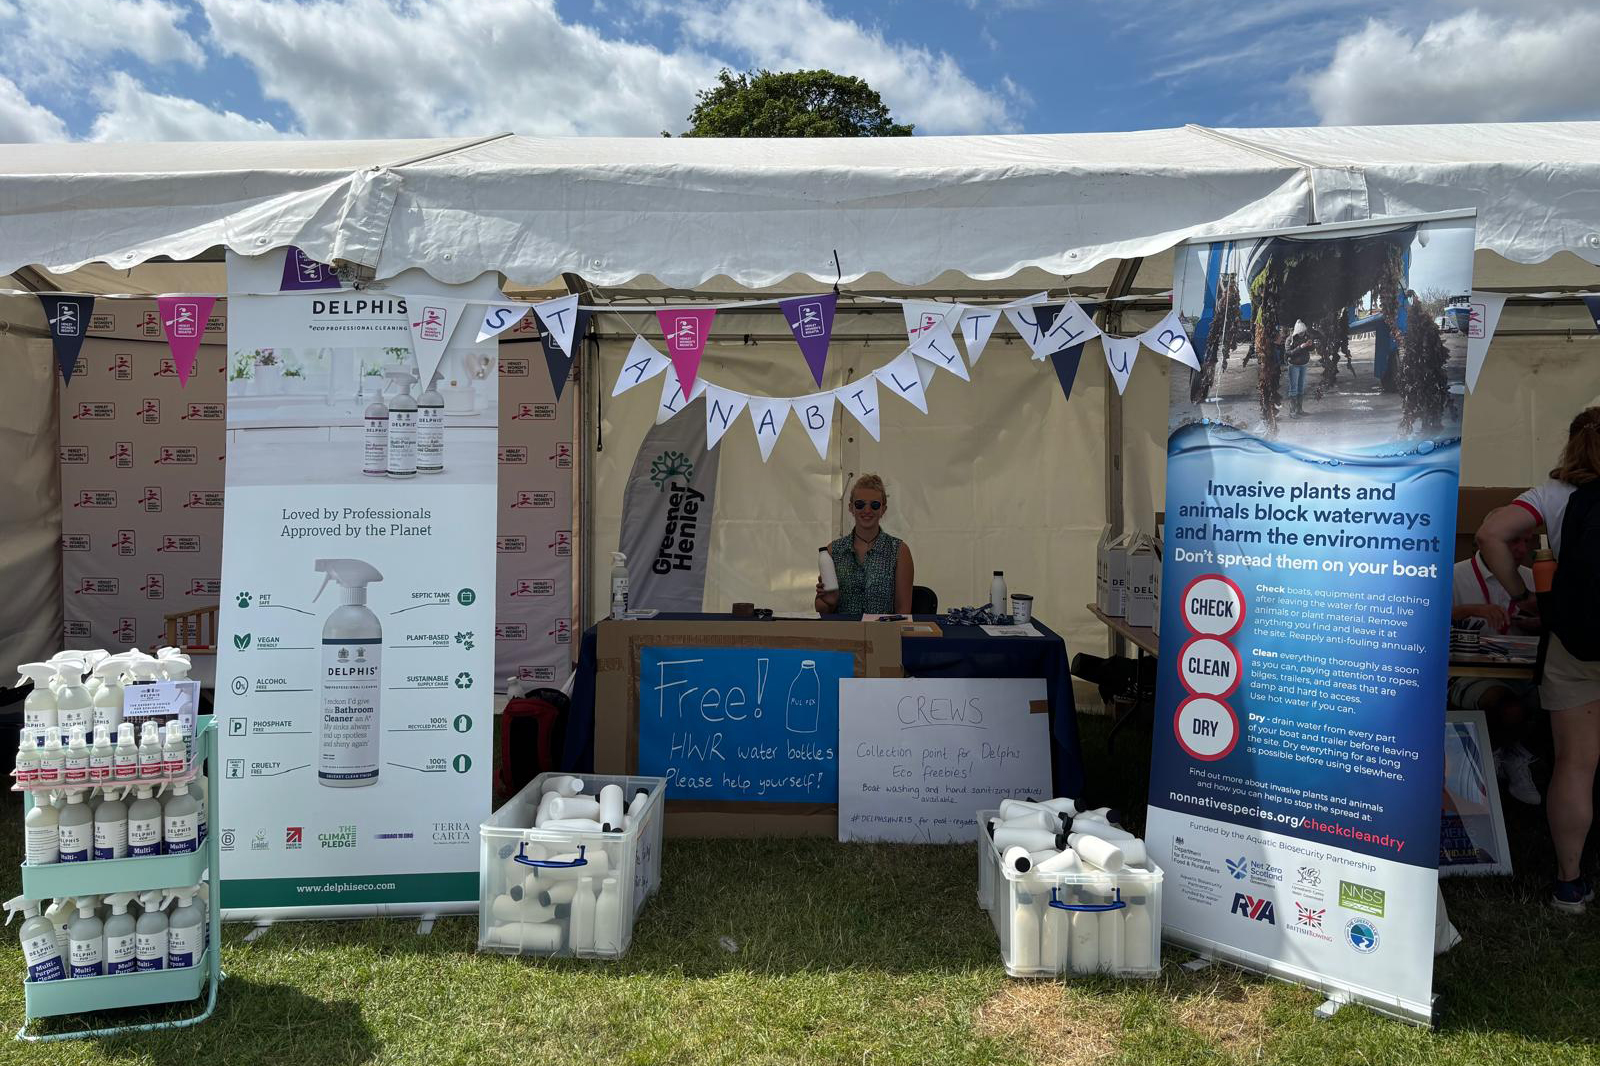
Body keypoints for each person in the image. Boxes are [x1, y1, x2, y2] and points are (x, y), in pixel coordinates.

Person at [1476, 406, 1600, 912]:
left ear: (1571, 446)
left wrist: (1521, 594)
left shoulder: (1552, 496)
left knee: (1576, 763)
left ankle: (1569, 883)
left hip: (1575, 642)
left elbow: (1489, 533)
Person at [1450, 532, 1541, 804]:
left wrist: (1537, 622)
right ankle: (1497, 755)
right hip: (1469, 672)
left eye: (1529, 541)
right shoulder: (1454, 576)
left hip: (1523, 670)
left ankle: (1514, 754)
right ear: (1485, 541)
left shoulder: (1531, 577)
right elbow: (1422, 617)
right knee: (1508, 708)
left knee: (1558, 704)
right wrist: (1468, 610)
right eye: (1513, 540)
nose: (1522, 549)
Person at [814, 473, 914, 616]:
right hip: (843, 634)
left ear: (883, 509)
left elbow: (903, 612)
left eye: (874, 505)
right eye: (860, 504)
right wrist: (829, 602)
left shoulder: (899, 551)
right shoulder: (833, 551)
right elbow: (821, 610)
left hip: (882, 634)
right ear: (851, 508)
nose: (867, 510)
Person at [1284, 320, 1314, 418]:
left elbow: (1311, 349)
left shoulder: (1306, 336)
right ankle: (1292, 412)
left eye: (1304, 332)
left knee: (1301, 388)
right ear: (1297, 331)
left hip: (1304, 364)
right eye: (1301, 332)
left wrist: (1310, 345)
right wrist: (1300, 347)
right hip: (1294, 365)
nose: (1302, 334)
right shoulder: (1290, 339)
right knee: (1294, 389)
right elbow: (1288, 353)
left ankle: (1299, 409)